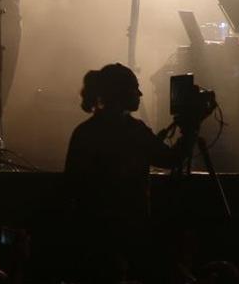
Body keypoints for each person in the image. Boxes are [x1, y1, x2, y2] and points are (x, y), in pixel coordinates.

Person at [63, 63, 190, 222]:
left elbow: (70, 186)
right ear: (121, 93)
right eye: (135, 88)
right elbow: (172, 159)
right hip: (131, 227)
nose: (140, 93)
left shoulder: (84, 132)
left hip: (92, 226)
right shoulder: (135, 131)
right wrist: (191, 130)